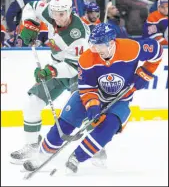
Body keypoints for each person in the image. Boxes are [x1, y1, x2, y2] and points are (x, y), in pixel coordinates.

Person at [22, 23, 163, 173]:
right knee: (65, 124)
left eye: (99, 45)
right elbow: (87, 88)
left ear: (110, 43)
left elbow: (157, 51)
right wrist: (93, 107)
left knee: (109, 126)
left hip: (120, 98)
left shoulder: (132, 48)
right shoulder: (87, 58)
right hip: (93, 95)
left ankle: (76, 158)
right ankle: (41, 157)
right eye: (93, 45)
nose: (95, 49)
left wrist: (144, 73)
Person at [10, 0, 90, 164]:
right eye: (54, 13)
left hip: (81, 73)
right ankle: (31, 146)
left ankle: (95, 148)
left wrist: (50, 71)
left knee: (81, 112)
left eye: (61, 14)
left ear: (70, 11)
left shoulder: (78, 34)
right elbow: (31, 6)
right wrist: (30, 23)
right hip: (57, 68)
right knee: (32, 102)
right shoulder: (51, 12)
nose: (57, 18)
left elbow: (74, 67)